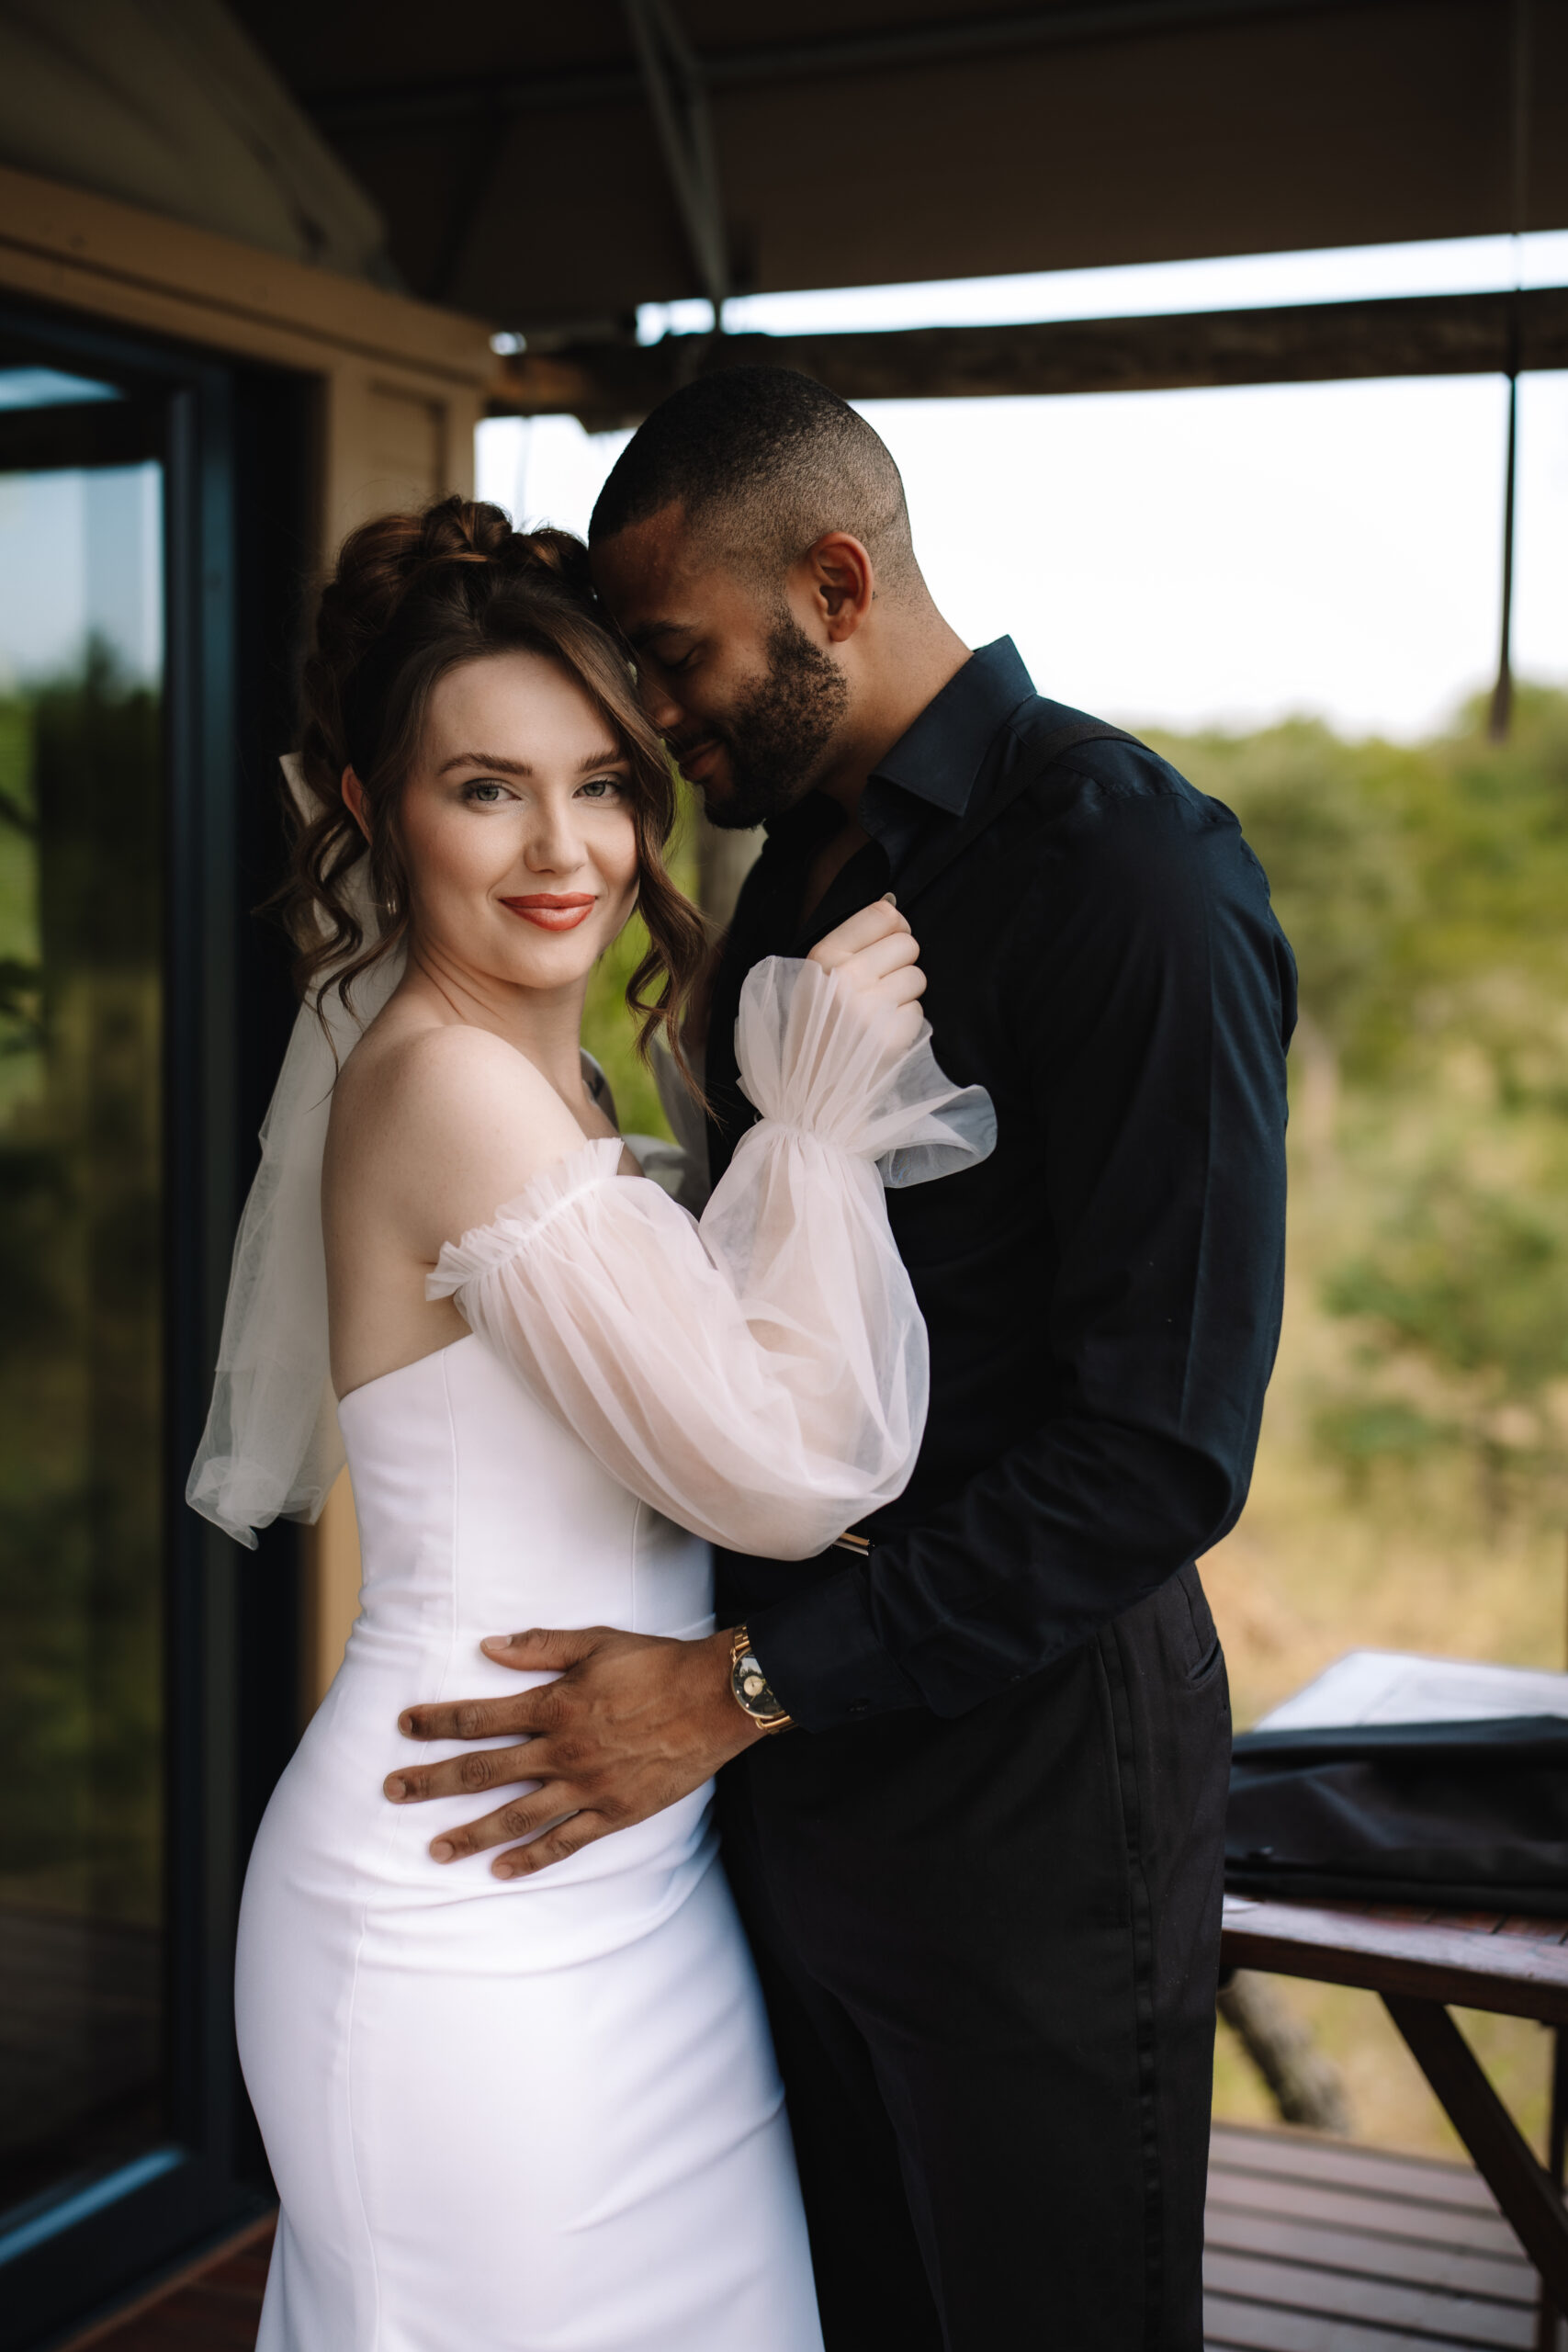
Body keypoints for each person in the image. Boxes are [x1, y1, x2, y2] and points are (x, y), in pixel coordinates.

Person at [391, 371, 1297, 2350]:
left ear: (828, 581)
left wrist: (735, 1686)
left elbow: (1156, 1449)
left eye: (672, 658)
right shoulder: (783, 861)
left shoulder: (1129, 878)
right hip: (784, 1777)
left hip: (1024, 1795)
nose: (652, 716)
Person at [185, 495, 994, 2352]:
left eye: (604, 783)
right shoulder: (449, 1085)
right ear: (377, 806)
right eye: (486, 788)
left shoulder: (553, 1069)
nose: (567, 847)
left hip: (626, 1868)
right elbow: (780, 1473)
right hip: (457, 1895)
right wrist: (809, 1125)